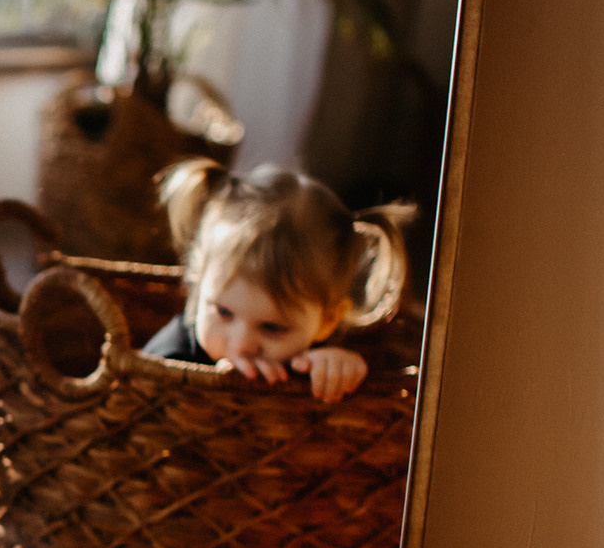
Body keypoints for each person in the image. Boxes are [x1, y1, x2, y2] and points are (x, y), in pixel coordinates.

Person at [143, 159, 416, 405]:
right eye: (224, 313)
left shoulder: (310, 363)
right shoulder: (170, 356)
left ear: (327, 321)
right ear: (198, 283)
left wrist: (340, 370)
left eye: (272, 328)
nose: (241, 345)